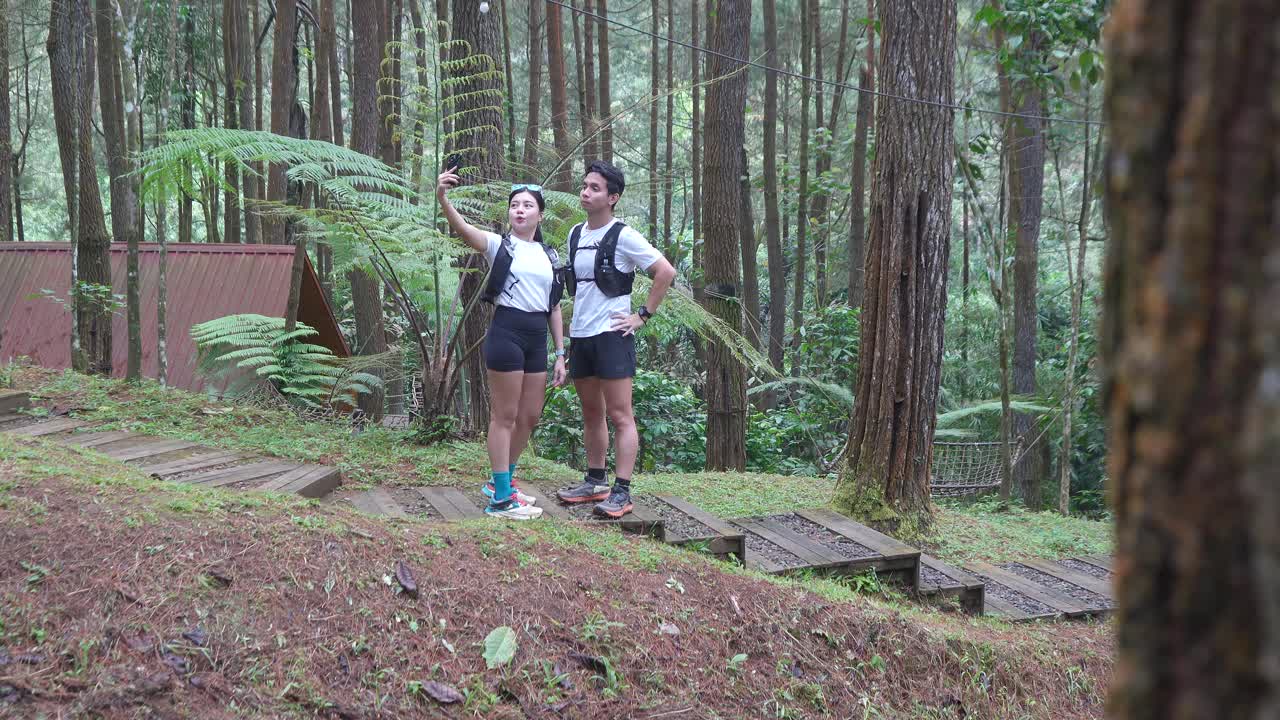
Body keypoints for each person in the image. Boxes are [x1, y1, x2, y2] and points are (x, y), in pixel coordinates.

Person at [436, 171, 568, 520]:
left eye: (528, 205)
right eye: (514, 206)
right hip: (506, 333)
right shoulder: (499, 245)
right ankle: (500, 500)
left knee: (529, 415)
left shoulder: (549, 255)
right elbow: (465, 231)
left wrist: (560, 353)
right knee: (505, 416)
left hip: (537, 339)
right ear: (508, 214)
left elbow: (554, 306)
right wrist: (443, 199)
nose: (520, 211)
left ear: (540, 214)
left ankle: (502, 483)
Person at [555, 161, 677, 518]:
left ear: (613, 197)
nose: (585, 192)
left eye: (594, 188)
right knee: (591, 411)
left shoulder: (624, 235)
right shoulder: (575, 234)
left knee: (621, 415)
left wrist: (642, 316)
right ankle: (595, 481)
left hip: (612, 336)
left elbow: (664, 271)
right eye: (584, 185)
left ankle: (622, 490)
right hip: (582, 335)